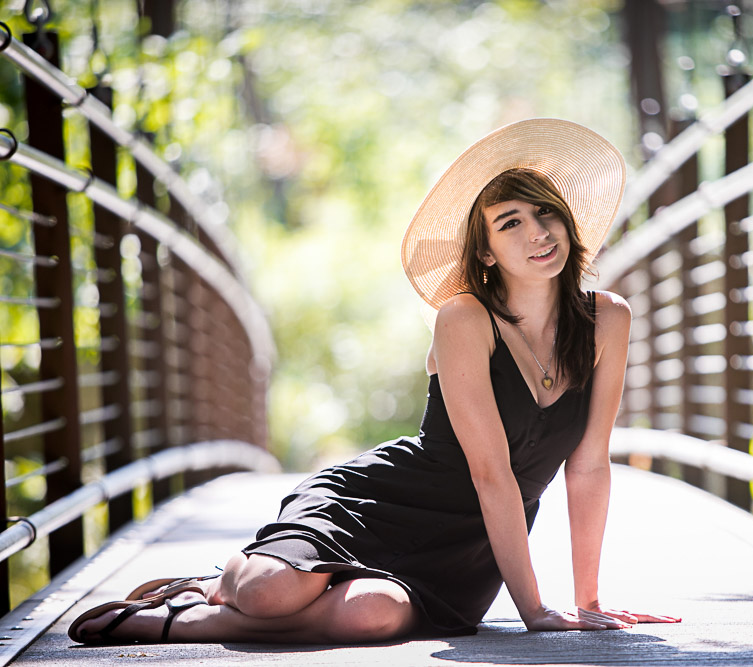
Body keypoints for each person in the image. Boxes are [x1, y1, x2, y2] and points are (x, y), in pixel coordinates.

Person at [68, 118, 680, 645]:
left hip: (471, 542)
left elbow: (589, 465)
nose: (538, 233)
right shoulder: (465, 317)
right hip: (383, 503)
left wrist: (589, 601)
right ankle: (213, 586)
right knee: (270, 594)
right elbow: (491, 472)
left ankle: (191, 623)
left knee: (372, 616)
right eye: (510, 222)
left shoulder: (607, 318)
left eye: (546, 213)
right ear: (486, 251)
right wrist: (535, 611)